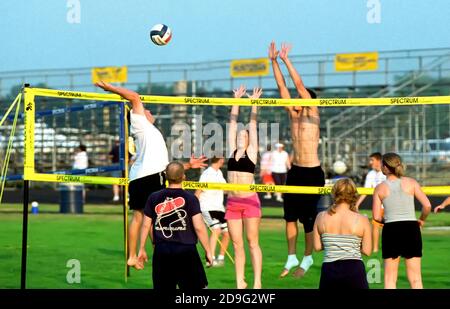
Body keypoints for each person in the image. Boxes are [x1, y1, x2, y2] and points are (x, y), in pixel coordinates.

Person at [95, 81, 207, 269]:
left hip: (146, 175)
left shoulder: (151, 131)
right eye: (146, 110)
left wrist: (188, 165)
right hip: (149, 177)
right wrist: (111, 89)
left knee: (148, 218)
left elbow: (166, 167)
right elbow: (134, 97)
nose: (148, 111)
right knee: (150, 218)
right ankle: (136, 255)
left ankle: (141, 254)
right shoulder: (139, 122)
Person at [269, 41, 325, 278]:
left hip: (312, 172)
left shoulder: (313, 112)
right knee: (289, 217)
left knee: (308, 221)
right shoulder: (294, 115)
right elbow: (283, 88)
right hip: (296, 171)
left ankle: (308, 256)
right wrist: (273, 62)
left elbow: (299, 85)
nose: (297, 98)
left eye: (302, 97)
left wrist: (286, 59)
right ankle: (291, 257)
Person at [137, 162, 213, 290]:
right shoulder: (190, 198)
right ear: (183, 176)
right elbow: (199, 227)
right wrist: (208, 250)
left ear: (166, 176)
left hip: (162, 252)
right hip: (186, 252)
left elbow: (145, 225)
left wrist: (142, 248)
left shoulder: (153, 197)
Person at [372, 153, 432, 289]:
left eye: (382, 164)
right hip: (411, 228)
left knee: (390, 279)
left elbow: (376, 217)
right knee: (416, 279)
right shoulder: (411, 182)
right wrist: (421, 220)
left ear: (386, 167)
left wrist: (388, 221)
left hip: (391, 229)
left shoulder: (380, 188)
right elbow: (427, 206)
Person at [226, 85, 263, 289]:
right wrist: (236, 100)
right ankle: (240, 281)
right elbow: (232, 125)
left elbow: (252, 124)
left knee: (252, 243)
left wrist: (253, 103)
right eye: (239, 135)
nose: (241, 135)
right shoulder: (232, 150)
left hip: (249, 201)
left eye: (244, 135)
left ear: (248, 139)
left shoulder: (252, 152)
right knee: (237, 244)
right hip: (232, 202)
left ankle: (257, 281)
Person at [313, 178, 372, 289]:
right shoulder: (362, 219)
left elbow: (317, 247)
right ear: (353, 194)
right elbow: (367, 251)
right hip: (354, 269)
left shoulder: (320, 217)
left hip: (329, 270)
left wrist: (333, 242)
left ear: (334, 193)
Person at [195, 157, 230, 267]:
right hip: (207, 207)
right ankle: (210, 258)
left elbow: (225, 190)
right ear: (220, 160)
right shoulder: (207, 174)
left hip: (219, 208)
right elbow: (198, 192)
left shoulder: (219, 173)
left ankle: (220, 258)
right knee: (217, 229)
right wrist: (195, 209)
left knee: (227, 233)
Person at [355, 152, 386, 253]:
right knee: (375, 225)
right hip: (378, 205)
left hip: (389, 204)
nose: (370, 162)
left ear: (378, 160)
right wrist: (357, 204)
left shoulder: (386, 172)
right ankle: (375, 249)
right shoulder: (371, 174)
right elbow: (366, 190)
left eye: (372, 160)